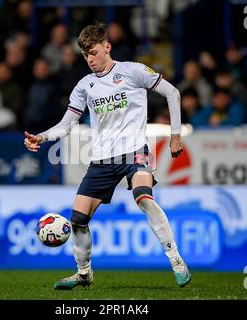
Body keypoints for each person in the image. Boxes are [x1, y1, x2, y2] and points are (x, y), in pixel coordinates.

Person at [23, 23, 191, 290]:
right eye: (85, 54)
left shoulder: (133, 71)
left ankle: (176, 259)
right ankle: (83, 273)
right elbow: (67, 125)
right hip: (102, 160)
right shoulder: (84, 86)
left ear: (107, 47)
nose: (89, 58)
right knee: (78, 220)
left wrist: (175, 135)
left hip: (135, 151)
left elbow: (172, 92)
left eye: (93, 52)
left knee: (144, 198)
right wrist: (41, 137)